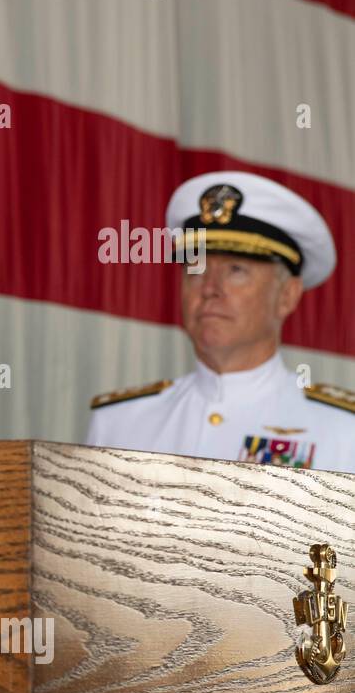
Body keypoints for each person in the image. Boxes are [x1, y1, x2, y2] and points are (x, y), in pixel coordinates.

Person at [87, 170, 355, 472]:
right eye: (196, 269)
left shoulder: (344, 430)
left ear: (287, 296)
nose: (210, 288)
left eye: (236, 269)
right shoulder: (121, 422)